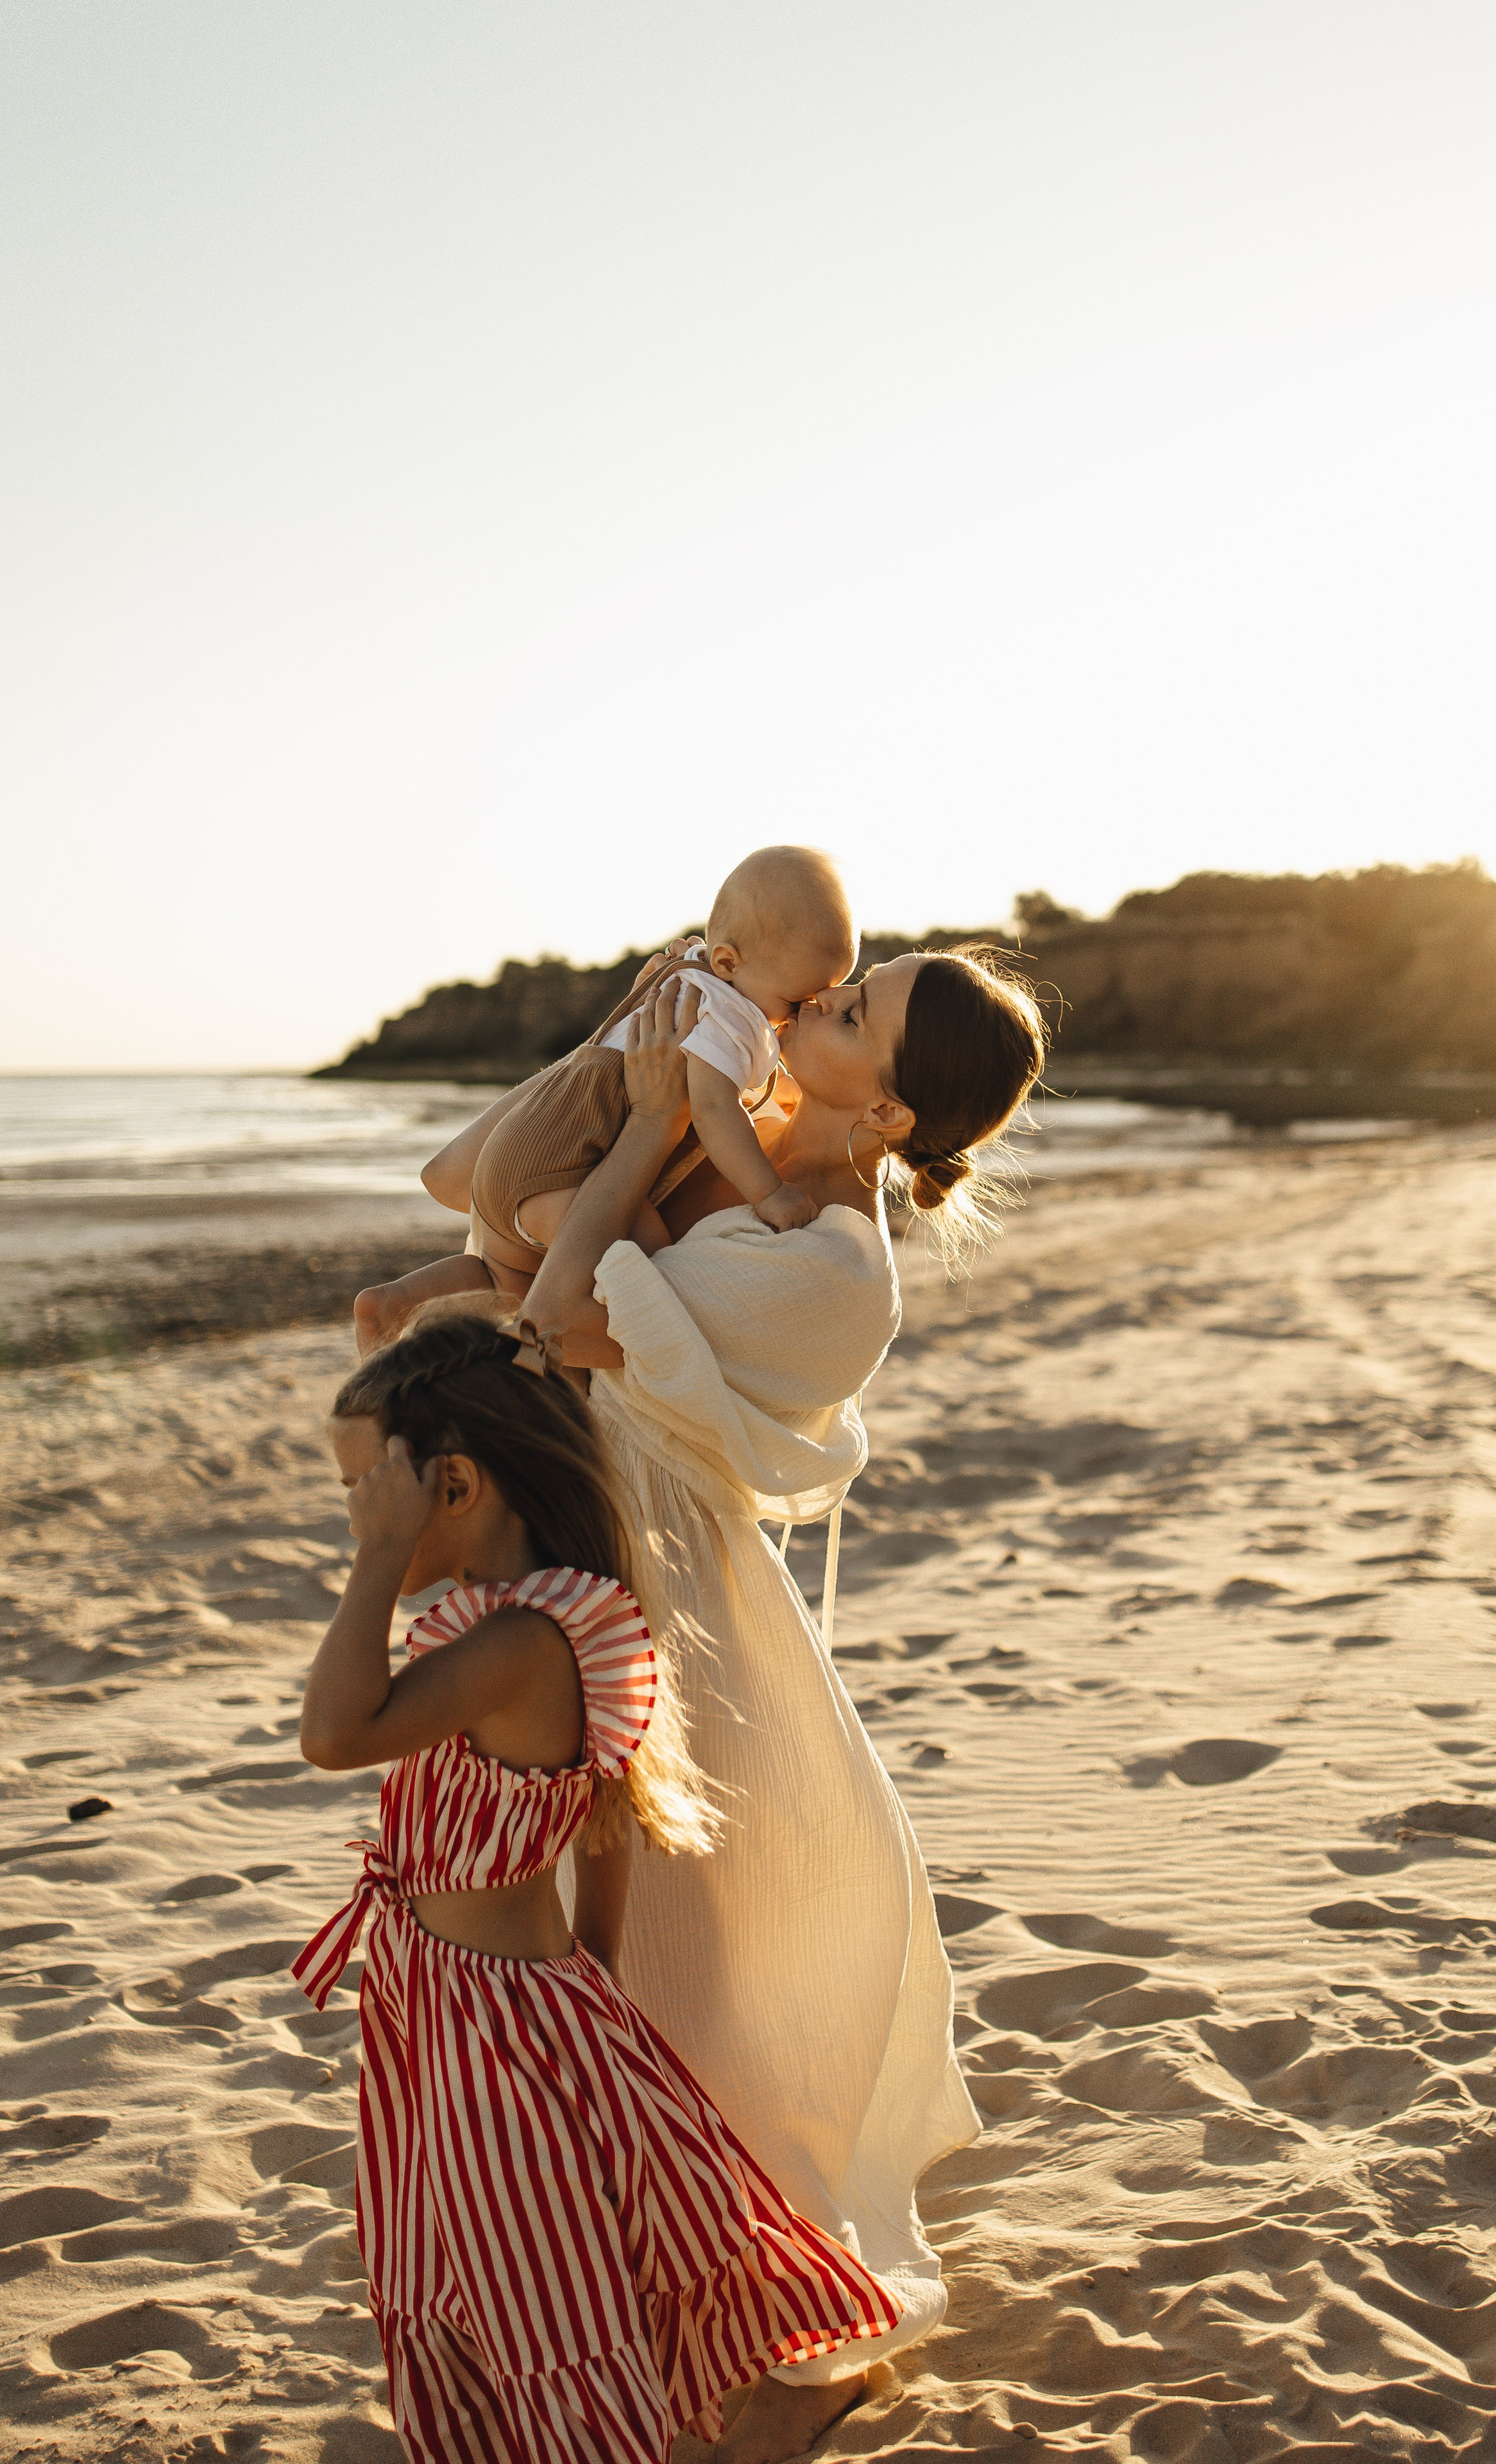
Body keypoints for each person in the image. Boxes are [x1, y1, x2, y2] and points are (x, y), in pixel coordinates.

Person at [519, 945, 1046, 2463]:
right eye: (843, 984)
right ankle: (651, 2288)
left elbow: (563, 1298)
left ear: (885, 1110)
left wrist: (593, 1189)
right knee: (613, 1947)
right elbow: (498, 1203)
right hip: (594, 1561)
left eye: (852, 1008)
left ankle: (798, 2320)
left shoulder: (836, 1272)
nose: (820, 1001)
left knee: (697, 1959)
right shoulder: (733, 1131)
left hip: (675, 1603)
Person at [293, 1313, 899, 2464]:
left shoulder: (528, 1641)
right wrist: (598, 1980)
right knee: (464, 2254)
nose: (356, 1518)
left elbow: (335, 1733)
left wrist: (377, 1560)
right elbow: (610, 1822)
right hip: (467, 2008)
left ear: (453, 1484)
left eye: (365, 1493)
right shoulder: (561, 1615)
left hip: (488, 2022)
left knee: (535, 2287)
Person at [353, 848, 857, 1356]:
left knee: (505, 1277)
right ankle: (539, 1363)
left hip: (515, 1148)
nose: (803, 1012)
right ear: (728, 962)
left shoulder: (684, 974)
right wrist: (768, 1193)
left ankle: (392, 1307)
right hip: (569, 1169)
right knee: (655, 1272)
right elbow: (713, 1110)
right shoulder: (734, 1015)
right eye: (797, 1001)